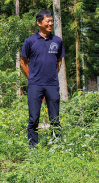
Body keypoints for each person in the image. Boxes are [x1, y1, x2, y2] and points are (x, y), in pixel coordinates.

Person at [20, 10, 65, 146]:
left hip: (52, 84)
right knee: (33, 118)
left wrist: (51, 75)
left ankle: (57, 145)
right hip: (35, 85)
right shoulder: (30, 41)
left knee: (55, 118)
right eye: (48, 21)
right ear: (39, 23)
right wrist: (31, 78)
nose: (51, 23)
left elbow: (59, 61)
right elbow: (23, 62)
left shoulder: (57, 41)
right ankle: (33, 147)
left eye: (52, 21)